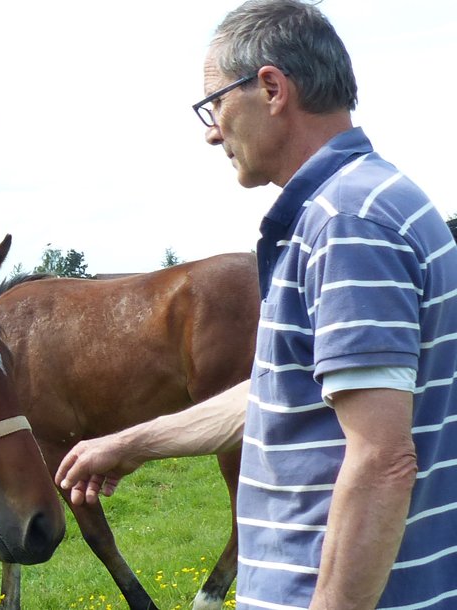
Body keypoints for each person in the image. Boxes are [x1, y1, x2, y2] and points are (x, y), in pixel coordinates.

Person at [55, 1, 457, 609]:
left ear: (271, 88)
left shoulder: (347, 224)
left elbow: (382, 460)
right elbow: (281, 390)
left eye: (214, 104)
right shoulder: (369, 203)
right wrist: (134, 442)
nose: (212, 131)